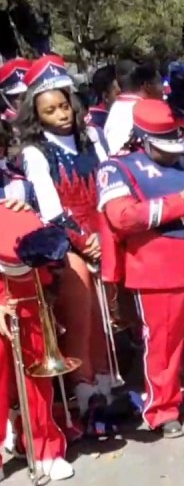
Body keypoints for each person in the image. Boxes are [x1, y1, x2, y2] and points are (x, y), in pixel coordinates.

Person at [99, 99, 184, 437]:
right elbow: (123, 217)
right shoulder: (119, 168)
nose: (172, 152)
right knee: (163, 345)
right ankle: (162, 409)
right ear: (143, 139)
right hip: (156, 269)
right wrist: (179, 204)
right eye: (164, 147)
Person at [16, 55, 113, 420]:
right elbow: (51, 208)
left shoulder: (92, 138)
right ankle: (85, 390)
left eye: (63, 106)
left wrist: (105, 236)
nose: (61, 114)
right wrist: (83, 241)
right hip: (67, 241)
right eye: (50, 110)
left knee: (106, 314)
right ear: (36, 116)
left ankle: (107, 383)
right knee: (82, 307)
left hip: (103, 231)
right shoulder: (35, 152)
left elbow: (107, 185)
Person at [0, 197, 75, 481]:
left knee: (38, 380)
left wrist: (28, 217)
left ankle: (45, 449)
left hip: (28, 292)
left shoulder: (12, 188)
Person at [103, 60, 163, 155]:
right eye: (160, 83)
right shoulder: (132, 111)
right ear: (147, 86)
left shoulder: (120, 106)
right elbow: (120, 154)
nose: (163, 88)